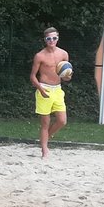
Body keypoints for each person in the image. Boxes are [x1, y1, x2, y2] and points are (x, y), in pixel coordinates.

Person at [30, 26, 72, 157]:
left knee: (62, 121)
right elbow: (32, 76)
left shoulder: (64, 54)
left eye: (54, 38)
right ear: (45, 40)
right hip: (44, 88)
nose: (51, 40)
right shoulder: (40, 56)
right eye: (49, 38)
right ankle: (44, 150)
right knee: (45, 123)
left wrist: (67, 77)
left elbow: (66, 75)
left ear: (58, 38)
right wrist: (40, 89)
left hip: (57, 89)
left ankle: (45, 138)